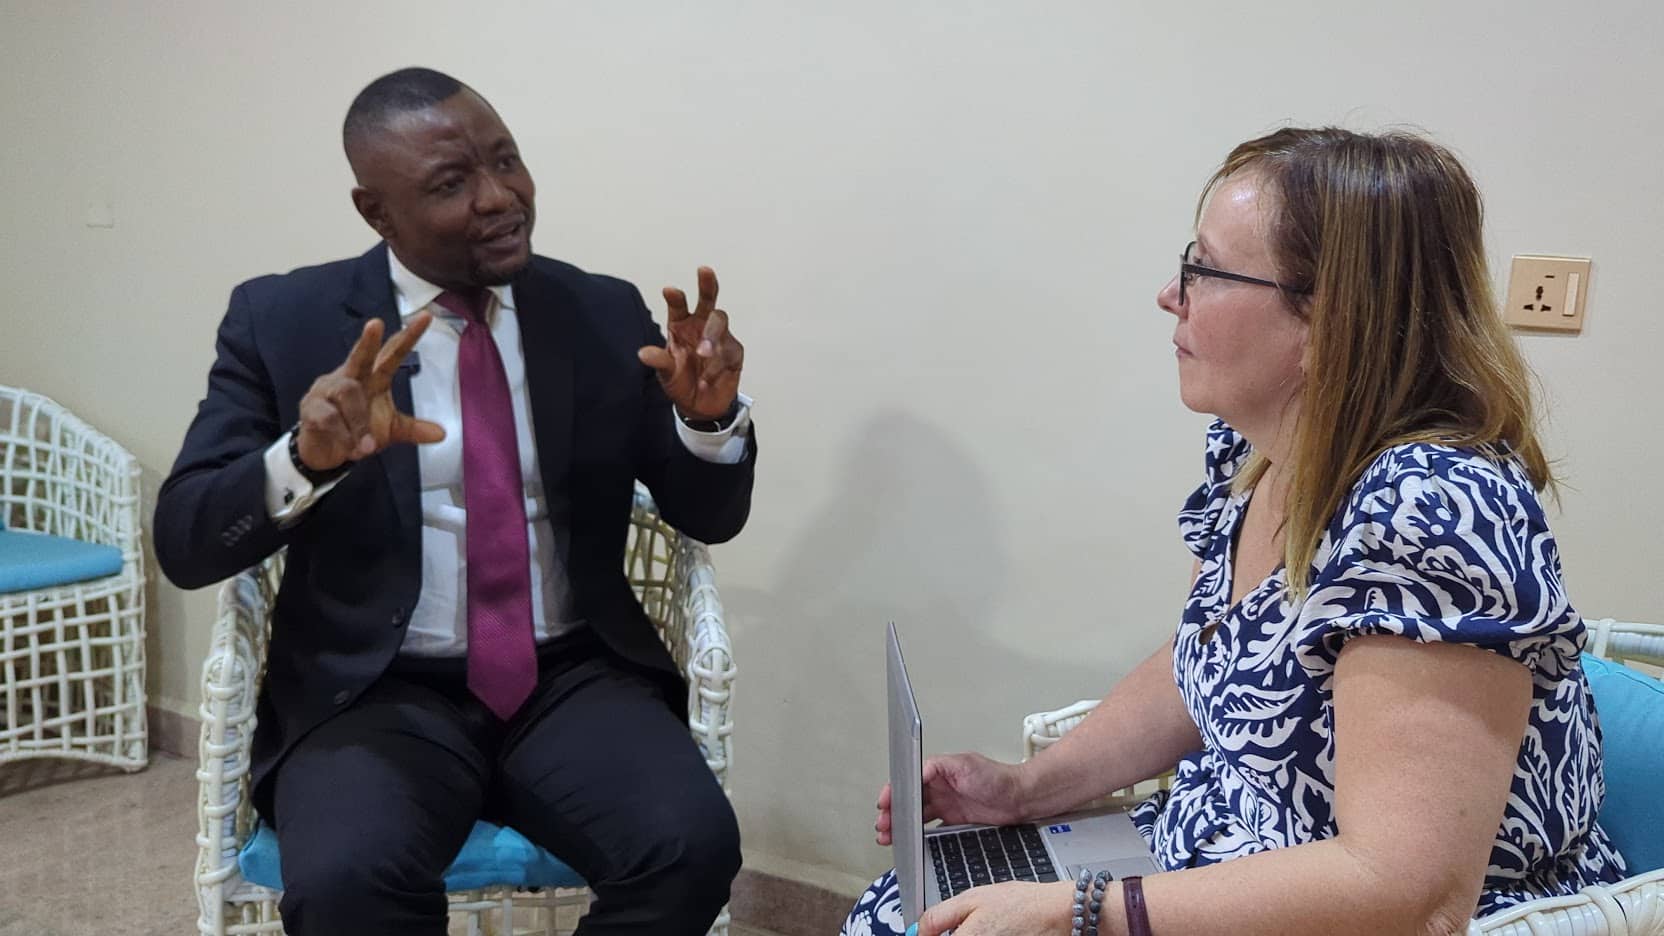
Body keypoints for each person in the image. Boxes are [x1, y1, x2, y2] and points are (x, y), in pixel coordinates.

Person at [846, 127, 1627, 936]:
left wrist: (1082, 912)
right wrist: (1025, 790)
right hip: (1220, 855)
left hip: (1353, 915)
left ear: (1329, 320)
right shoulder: (1260, 451)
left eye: (1206, 271)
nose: (1170, 295)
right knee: (904, 909)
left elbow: (1408, 892)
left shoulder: (1434, 514)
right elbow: (1211, 666)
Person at [154, 67, 757, 936]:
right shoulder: (283, 320)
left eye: (506, 160)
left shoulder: (599, 309)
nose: (499, 197)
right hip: (373, 689)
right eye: (450, 184)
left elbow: (708, 517)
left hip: (571, 676)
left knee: (691, 848)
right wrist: (303, 460)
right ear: (376, 212)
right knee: (347, 883)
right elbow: (186, 541)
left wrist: (707, 423)